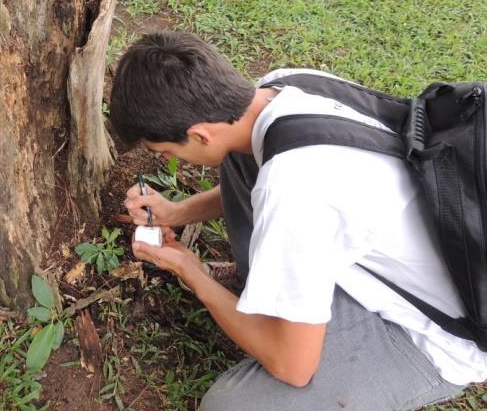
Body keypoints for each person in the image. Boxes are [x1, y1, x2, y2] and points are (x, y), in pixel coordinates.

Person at [109, 31, 487, 411]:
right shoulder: (283, 86)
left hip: (434, 336)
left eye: (167, 150)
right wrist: (177, 212)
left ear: (199, 134)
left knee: (228, 407)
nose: (167, 158)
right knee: (241, 155)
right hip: (394, 255)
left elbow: (294, 368)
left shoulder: (293, 188)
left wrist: (193, 273)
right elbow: (273, 175)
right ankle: (280, 308)